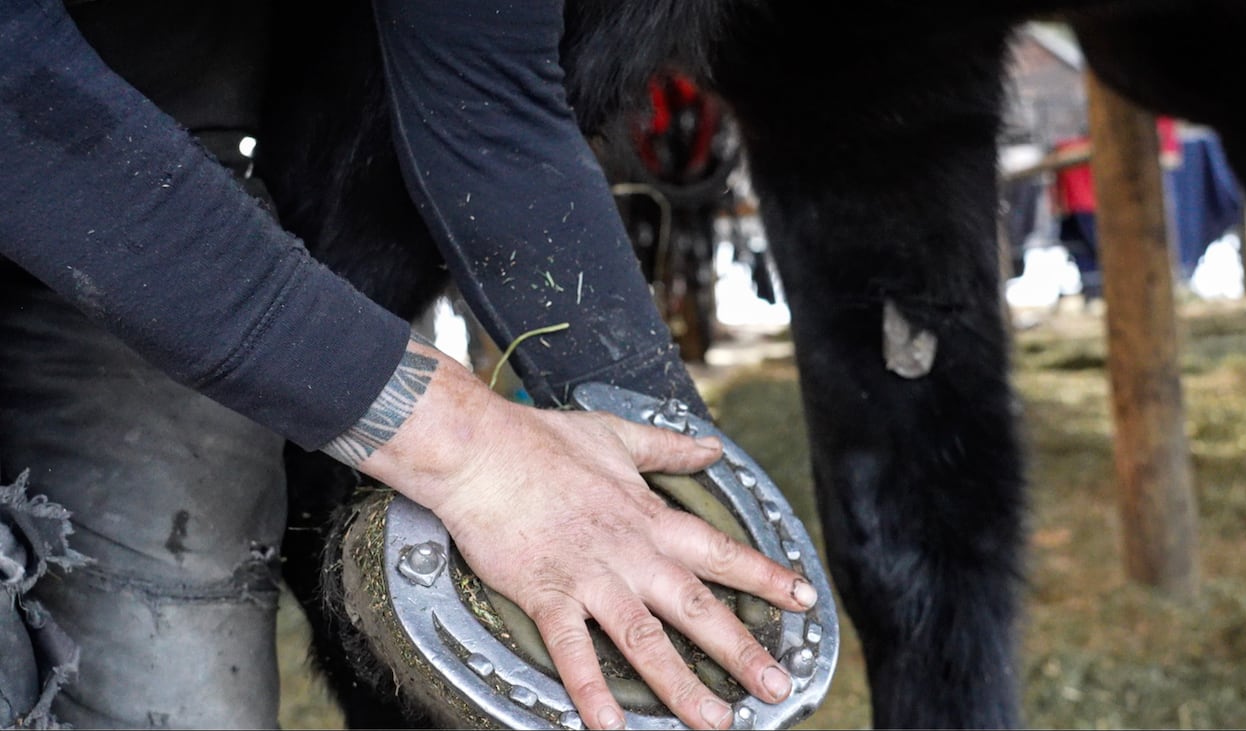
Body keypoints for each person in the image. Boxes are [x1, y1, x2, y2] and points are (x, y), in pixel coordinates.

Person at [0, 0, 816, 729]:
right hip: (53, 118)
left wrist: (666, 483)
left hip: (158, 166)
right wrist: (463, 446)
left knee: (183, 687)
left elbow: (486, 102)